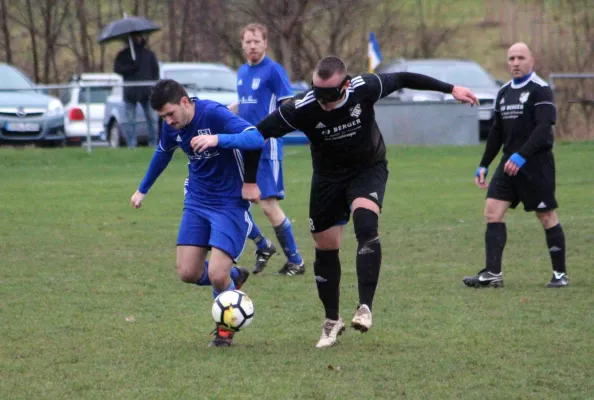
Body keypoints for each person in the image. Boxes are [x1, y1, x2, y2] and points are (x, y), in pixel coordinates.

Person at [193, 55, 478, 348]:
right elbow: (257, 136)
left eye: (329, 94)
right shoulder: (303, 107)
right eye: (317, 92)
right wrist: (250, 180)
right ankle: (332, 321)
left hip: (367, 169)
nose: (323, 100)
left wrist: (450, 88)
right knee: (325, 247)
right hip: (328, 179)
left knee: (366, 224)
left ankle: (364, 307)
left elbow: (404, 78)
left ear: (344, 86)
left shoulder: (364, 87)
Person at [129, 79, 266, 347]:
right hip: (197, 202)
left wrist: (218, 139)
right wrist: (142, 189)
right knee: (188, 272)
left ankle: (225, 330)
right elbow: (162, 153)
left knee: (216, 274)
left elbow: (255, 138)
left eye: (170, 114)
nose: (168, 121)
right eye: (162, 117)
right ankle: (234, 278)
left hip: (229, 203)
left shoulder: (213, 113)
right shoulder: (172, 126)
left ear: (184, 102)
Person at [463, 42, 569, 289]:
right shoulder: (504, 92)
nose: (516, 63)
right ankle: (492, 273)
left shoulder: (540, 90)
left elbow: (543, 128)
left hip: (536, 164)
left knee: (546, 215)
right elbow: (497, 132)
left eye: (521, 58)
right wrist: (484, 164)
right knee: (492, 210)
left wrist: (522, 156)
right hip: (508, 164)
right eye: (511, 58)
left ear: (532, 60)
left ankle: (560, 275)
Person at [227, 23, 305, 276]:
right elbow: (246, 103)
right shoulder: (241, 72)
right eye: (248, 42)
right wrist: (225, 114)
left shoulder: (273, 71)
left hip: (266, 145)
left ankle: (296, 261)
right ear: (242, 44)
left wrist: (274, 129)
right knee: (234, 199)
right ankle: (263, 245)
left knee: (268, 205)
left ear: (265, 43)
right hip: (243, 144)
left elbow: (287, 104)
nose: (252, 46)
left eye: (256, 41)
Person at [114, 33, 159, 148]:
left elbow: (155, 72)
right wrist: (131, 68)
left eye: (139, 37)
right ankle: (131, 145)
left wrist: (152, 86)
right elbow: (117, 68)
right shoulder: (124, 55)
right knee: (130, 121)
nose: (137, 39)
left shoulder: (149, 55)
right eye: (135, 37)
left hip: (147, 92)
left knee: (152, 119)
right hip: (131, 92)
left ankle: (153, 143)